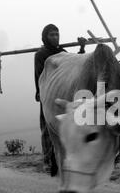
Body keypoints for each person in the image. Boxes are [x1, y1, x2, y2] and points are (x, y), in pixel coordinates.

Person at [34, 24, 87, 175]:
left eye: (57, 34)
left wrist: (82, 48)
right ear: (45, 37)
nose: (55, 37)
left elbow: (75, 66)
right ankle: (49, 162)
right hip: (48, 95)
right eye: (51, 35)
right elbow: (39, 76)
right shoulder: (41, 55)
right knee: (47, 129)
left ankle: (67, 161)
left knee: (66, 128)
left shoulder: (63, 53)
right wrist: (40, 93)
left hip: (64, 94)